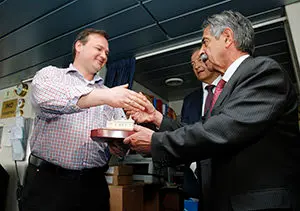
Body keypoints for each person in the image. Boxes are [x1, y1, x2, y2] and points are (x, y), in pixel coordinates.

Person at [124, 11, 300, 211]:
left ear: (227, 38)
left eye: (205, 42)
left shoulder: (264, 72)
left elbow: (221, 130)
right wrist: (157, 118)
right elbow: (202, 128)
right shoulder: (225, 88)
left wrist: (156, 142)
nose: (202, 52)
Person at [20, 28, 147, 211]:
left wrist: (120, 145)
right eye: (99, 48)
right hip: (49, 182)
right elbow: (44, 101)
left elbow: (121, 146)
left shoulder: (110, 94)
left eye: (107, 53)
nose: (104, 55)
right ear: (79, 46)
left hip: (94, 185)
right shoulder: (51, 75)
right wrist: (104, 97)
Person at [181, 48, 220, 208]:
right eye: (193, 64)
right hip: (195, 184)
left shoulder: (233, 89)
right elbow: (182, 135)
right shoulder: (189, 100)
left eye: (201, 59)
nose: (197, 65)